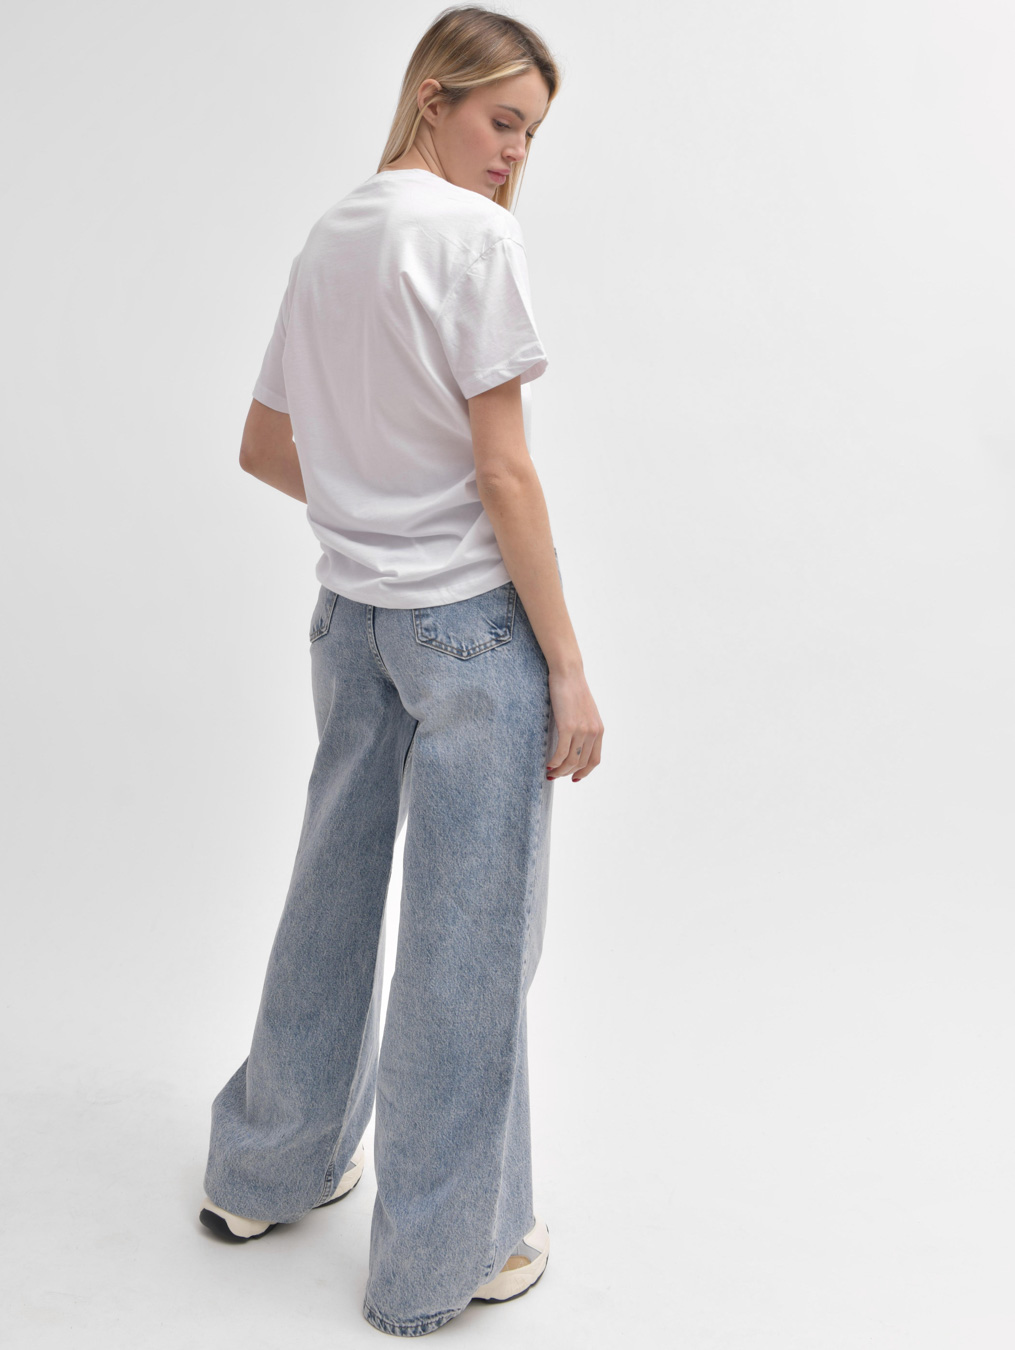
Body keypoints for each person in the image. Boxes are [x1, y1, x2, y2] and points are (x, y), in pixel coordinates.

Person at [198, 5, 604, 1337]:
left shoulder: (332, 234)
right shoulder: (475, 237)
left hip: (352, 621)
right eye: (503, 121)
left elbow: (266, 447)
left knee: (330, 891)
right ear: (435, 96)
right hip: (472, 632)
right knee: (467, 944)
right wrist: (569, 668)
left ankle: (266, 1170)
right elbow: (504, 473)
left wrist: (374, 513)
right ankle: (453, 1255)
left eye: (531, 135)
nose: (515, 155)